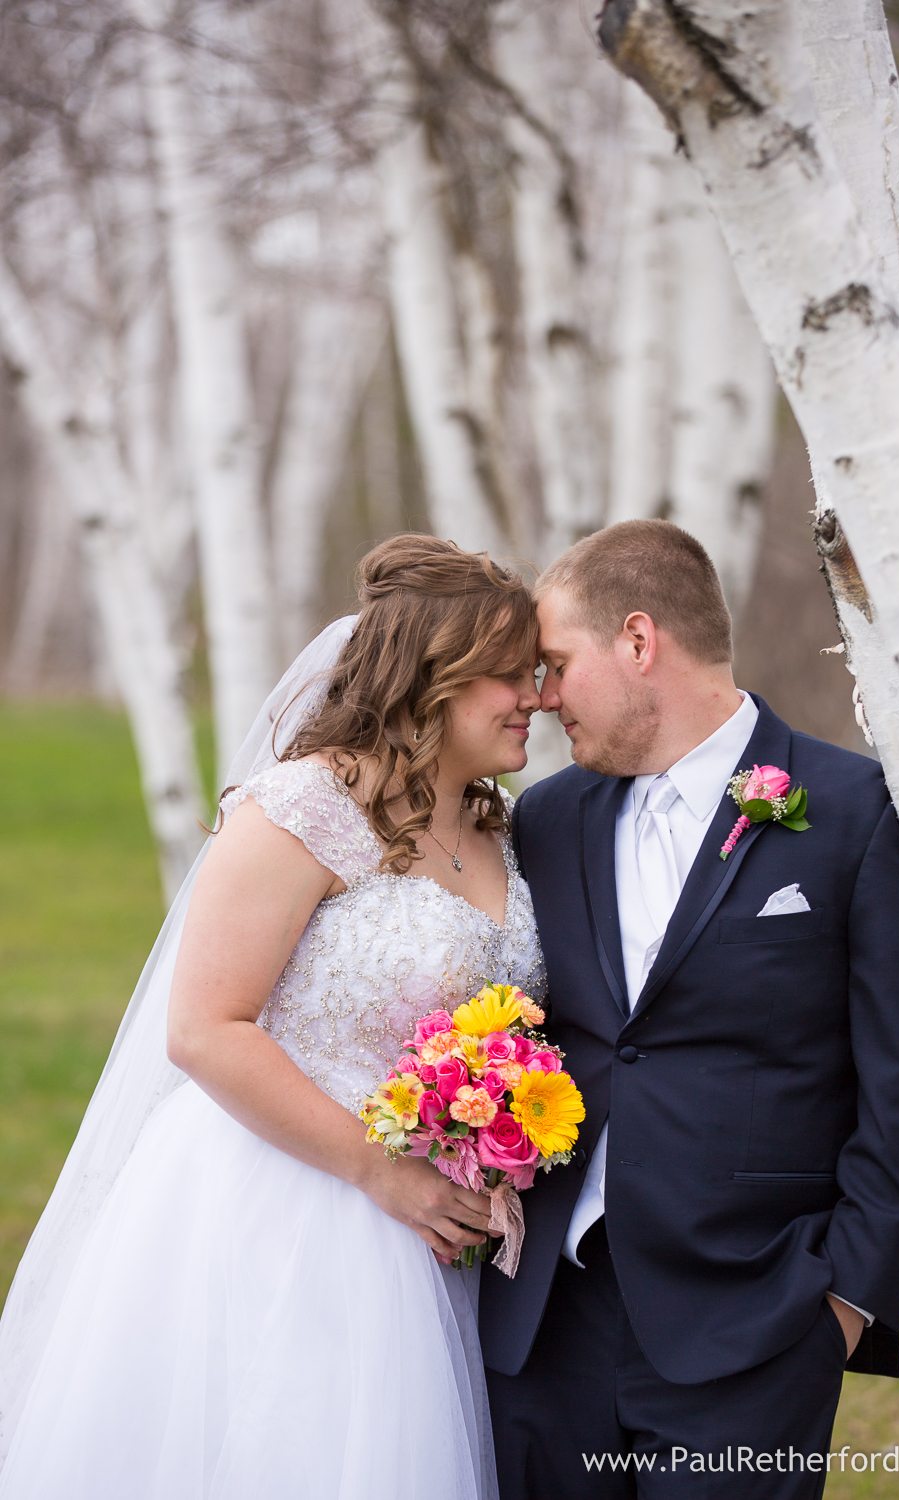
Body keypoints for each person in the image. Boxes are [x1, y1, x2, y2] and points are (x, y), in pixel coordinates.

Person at [0, 534, 544, 1500]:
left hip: (431, 1229)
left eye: (535, 673)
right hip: (282, 1202)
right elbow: (207, 1027)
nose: (535, 696)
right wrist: (383, 1172)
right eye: (508, 676)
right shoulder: (305, 806)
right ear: (433, 682)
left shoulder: (498, 825)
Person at [480, 519, 899, 1499]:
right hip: (545, 1328)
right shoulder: (546, 816)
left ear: (639, 642)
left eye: (556, 664)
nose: (540, 697)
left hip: (752, 1327)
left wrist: (846, 1304)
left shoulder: (852, 811)